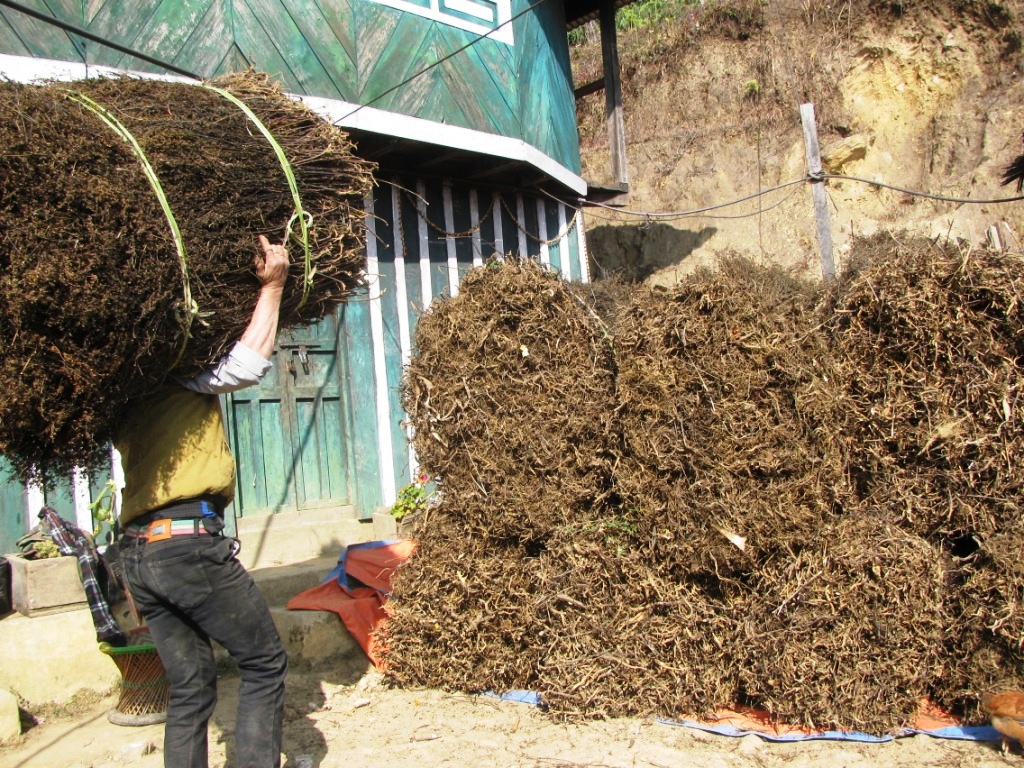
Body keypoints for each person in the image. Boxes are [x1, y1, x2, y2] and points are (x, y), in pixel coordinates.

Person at [116, 235, 291, 768]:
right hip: (186, 549)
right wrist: (275, 286)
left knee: (190, 687)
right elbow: (246, 365)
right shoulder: (172, 376)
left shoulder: (123, 399)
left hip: (139, 554)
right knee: (263, 662)